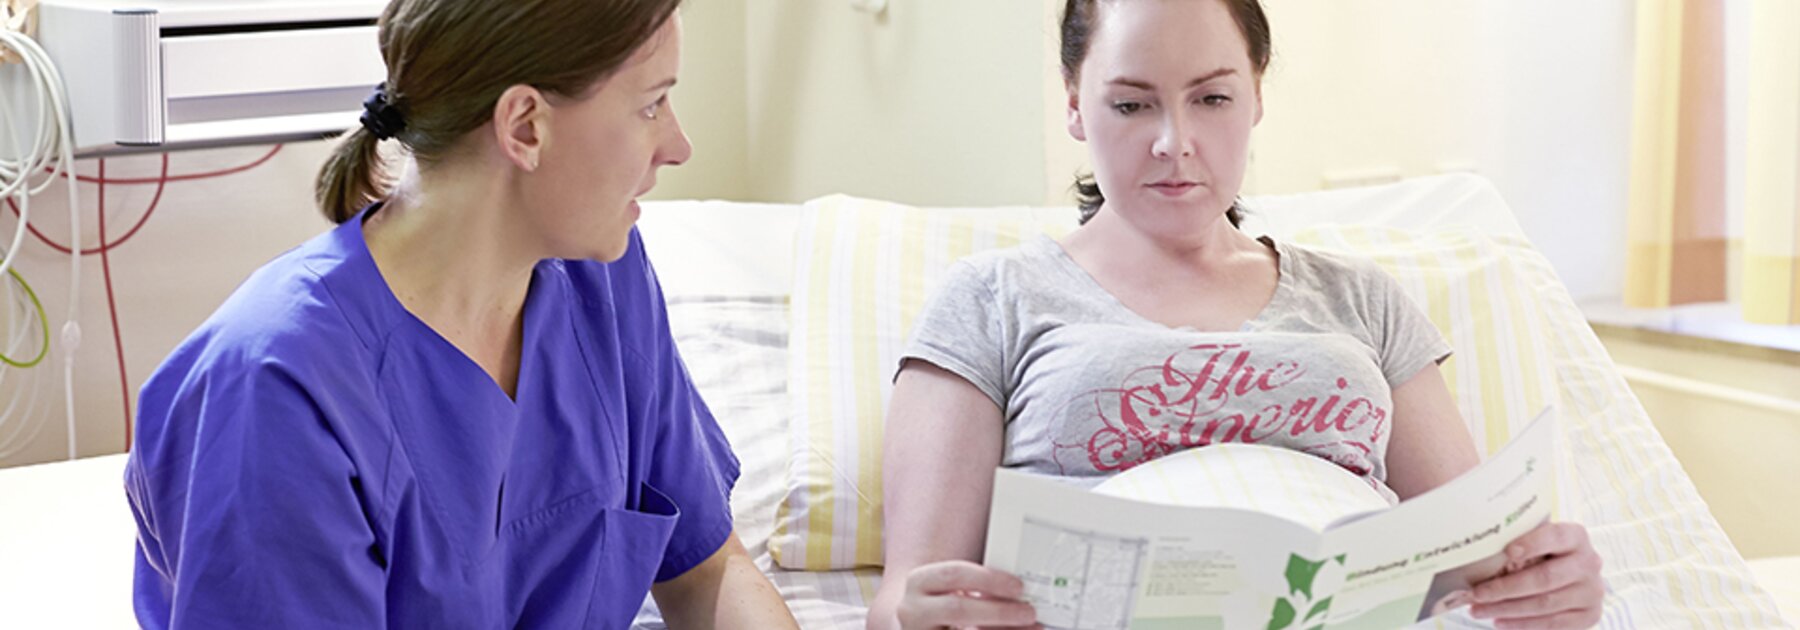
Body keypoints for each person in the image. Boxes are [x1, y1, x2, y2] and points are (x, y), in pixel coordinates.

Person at [867, 0, 1605, 628]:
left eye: (1212, 98)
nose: (1173, 143)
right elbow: (907, 594)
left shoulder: (1361, 300)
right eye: (1131, 104)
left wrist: (1549, 579)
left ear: (1256, 95)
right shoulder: (993, 298)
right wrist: (923, 614)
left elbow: (1470, 556)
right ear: (1072, 102)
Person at [122, 1, 797, 628]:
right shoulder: (274, 389)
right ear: (525, 126)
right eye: (652, 106)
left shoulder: (605, 280)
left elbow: (710, 572)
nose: (678, 145)